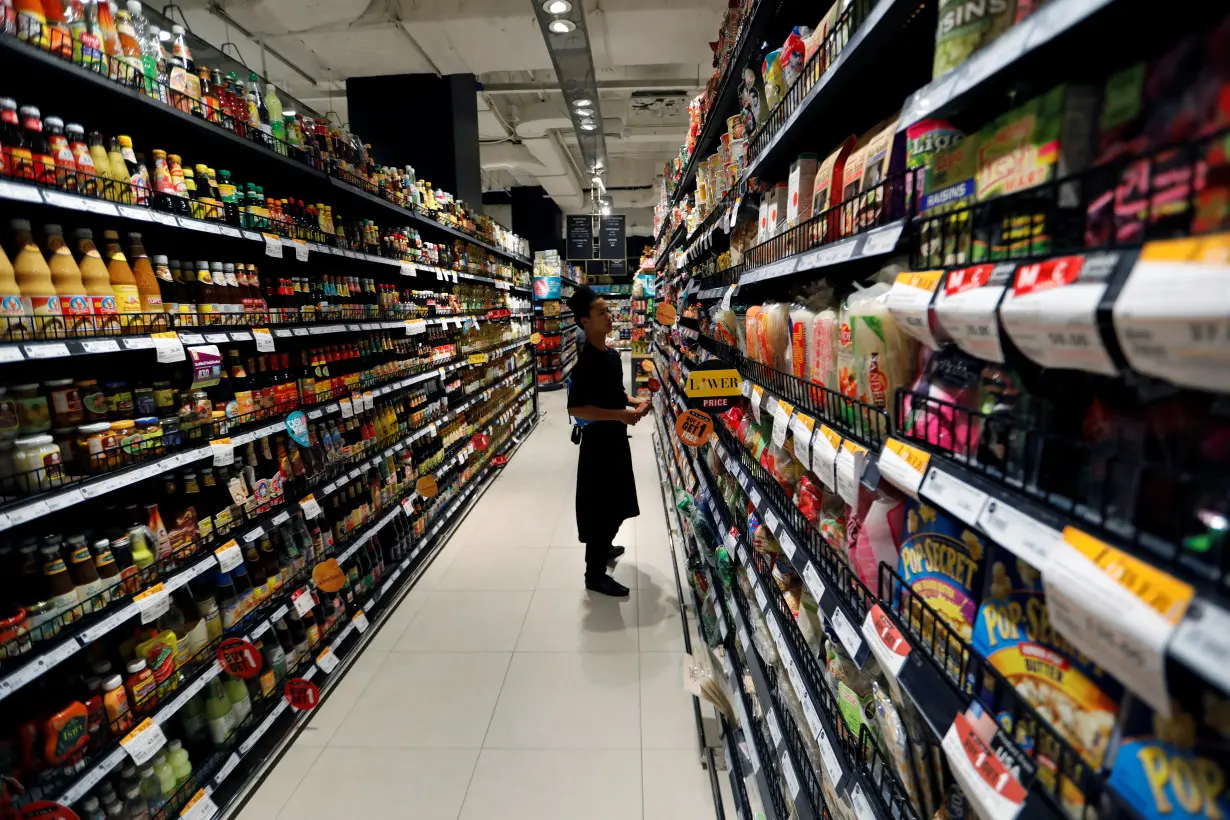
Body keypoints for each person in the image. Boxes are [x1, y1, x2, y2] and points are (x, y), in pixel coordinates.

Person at [566, 286, 650, 596]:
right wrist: (619, 415)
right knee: (600, 508)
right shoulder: (588, 361)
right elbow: (577, 408)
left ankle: (604, 548)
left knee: (617, 501)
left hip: (615, 440)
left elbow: (615, 394)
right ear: (584, 321)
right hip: (598, 446)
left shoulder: (611, 355)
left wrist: (633, 401)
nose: (608, 316)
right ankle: (594, 574)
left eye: (607, 310)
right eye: (600, 312)